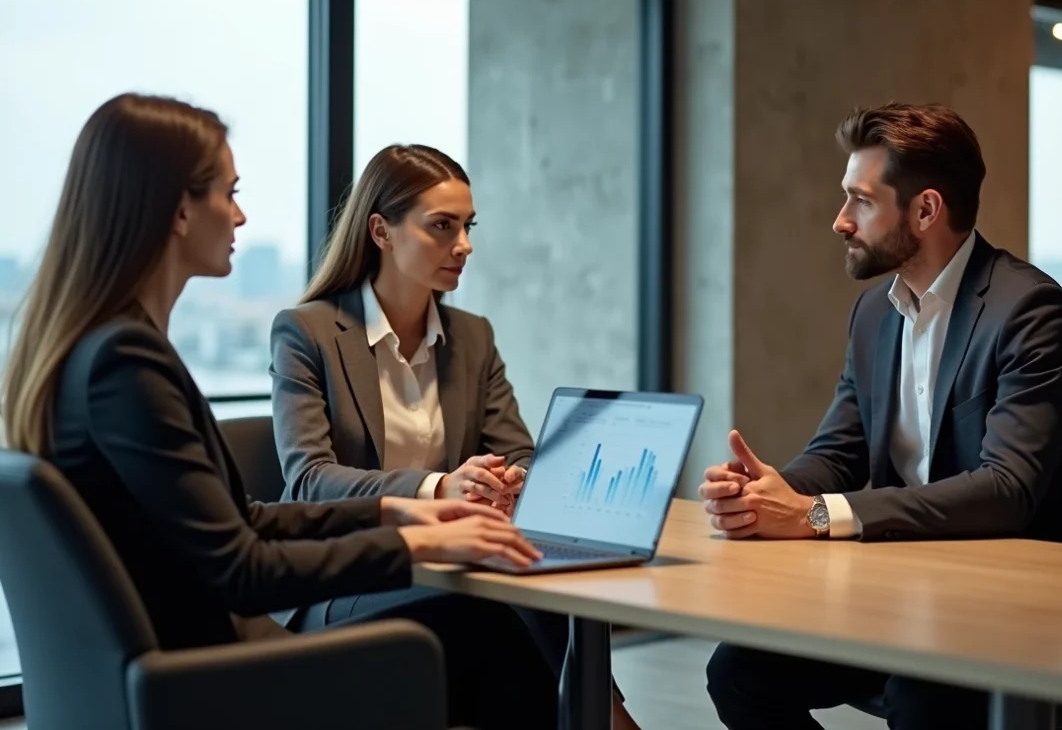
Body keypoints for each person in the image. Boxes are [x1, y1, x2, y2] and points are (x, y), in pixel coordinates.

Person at [0, 93, 557, 730]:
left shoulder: (95, 352)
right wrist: (422, 538)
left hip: (170, 673)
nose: (240, 216)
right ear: (180, 209)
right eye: (228, 193)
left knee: (489, 629)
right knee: (484, 631)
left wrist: (395, 506)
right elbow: (243, 570)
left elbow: (234, 523)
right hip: (217, 679)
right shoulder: (127, 363)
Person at [700, 103, 1062, 730]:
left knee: (925, 700)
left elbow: (1007, 490)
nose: (840, 221)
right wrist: (768, 492)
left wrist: (814, 516)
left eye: (860, 201)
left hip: (1028, 607)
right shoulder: (874, 315)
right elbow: (838, 452)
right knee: (739, 673)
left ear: (925, 210)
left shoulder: (1030, 310)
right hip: (917, 593)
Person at [270, 143, 640, 729]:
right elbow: (311, 479)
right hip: (347, 577)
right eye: (442, 227)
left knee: (527, 579)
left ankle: (603, 717)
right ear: (381, 231)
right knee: (494, 613)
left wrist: (509, 479)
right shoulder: (308, 332)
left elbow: (516, 450)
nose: (463, 244)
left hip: (455, 565)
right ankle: (610, 720)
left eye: (467, 226)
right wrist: (442, 487)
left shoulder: (471, 336)